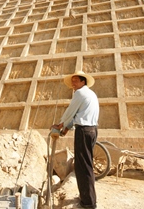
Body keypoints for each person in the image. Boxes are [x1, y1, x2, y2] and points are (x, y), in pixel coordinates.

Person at [51, 70, 99, 209]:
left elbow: (70, 112)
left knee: (82, 166)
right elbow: (78, 115)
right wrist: (65, 129)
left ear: (83, 81)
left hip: (83, 131)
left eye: (76, 80)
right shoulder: (90, 93)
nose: (73, 83)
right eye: (72, 81)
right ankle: (87, 197)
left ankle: (88, 203)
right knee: (86, 164)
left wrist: (60, 125)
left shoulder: (79, 93)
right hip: (92, 130)